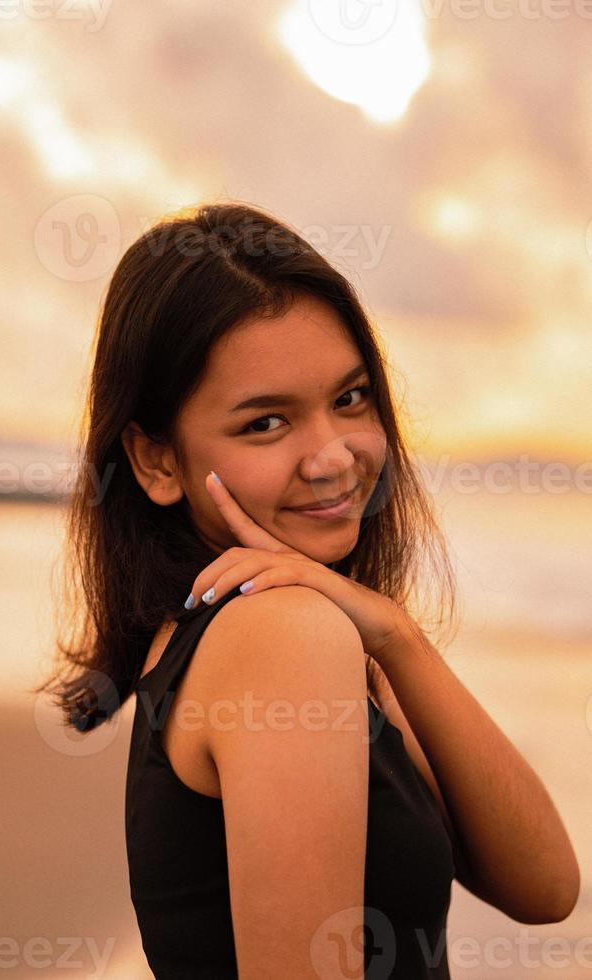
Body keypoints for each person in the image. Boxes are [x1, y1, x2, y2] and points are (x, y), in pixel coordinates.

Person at [37, 202, 580, 979]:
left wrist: (397, 636)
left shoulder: (299, 629)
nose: (332, 458)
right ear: (156, 461)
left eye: (350, 399)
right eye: (266, 424)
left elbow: (545, 884)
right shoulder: (280, 635)